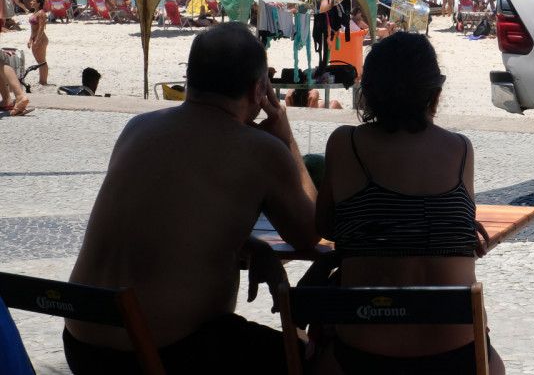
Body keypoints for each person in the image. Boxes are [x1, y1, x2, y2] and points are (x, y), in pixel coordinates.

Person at [64, 24, 319, 374]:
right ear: (260, 90)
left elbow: (165, 220)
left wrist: (249, 245)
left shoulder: (137, 128)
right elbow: (309, 234)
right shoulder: (261, 150)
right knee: (316, 357)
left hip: (82, 346)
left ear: (188, 77)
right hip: (168, 354)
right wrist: (287, 141)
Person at [313, 32, 503, 374]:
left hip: (363, 359)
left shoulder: (346, 144)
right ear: (435, 94)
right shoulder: (461, 150)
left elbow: (325, 227)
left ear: (367, 94)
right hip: (458, 360)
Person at [27, 0, 48, 85]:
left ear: (39, 3)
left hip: (41, 39)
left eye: (33, 1)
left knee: (42, 60)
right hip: (35, 38)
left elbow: (41, 28)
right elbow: (33, 29)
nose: (31, 2)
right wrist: (30, 39)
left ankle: (43, 81)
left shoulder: (41, 14)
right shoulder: (35, 13)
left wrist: (37, 40)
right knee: (39, 60)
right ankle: (41, 80)